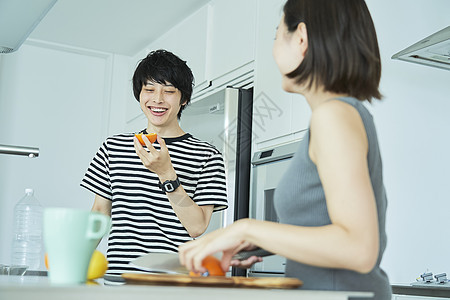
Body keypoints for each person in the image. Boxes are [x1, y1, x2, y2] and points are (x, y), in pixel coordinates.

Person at [179, 0, 391, 298]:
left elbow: (359, 249)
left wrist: (246, 229)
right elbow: (328, 228)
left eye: (276, 35)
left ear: (301, 38)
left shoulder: (333, 116)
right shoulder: (341, 115)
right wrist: (252, 244)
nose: (274, 48)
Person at [81, 49, 228, 284]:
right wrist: (77, 262)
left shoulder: (207, 155)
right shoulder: (113, 147)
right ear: (139, 95)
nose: (157, 99)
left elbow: (197, 227)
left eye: (169, 91)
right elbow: (99, 213)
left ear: (184, 99)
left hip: (173, 284)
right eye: (149, 89)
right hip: (119, 280)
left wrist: (166, 173)